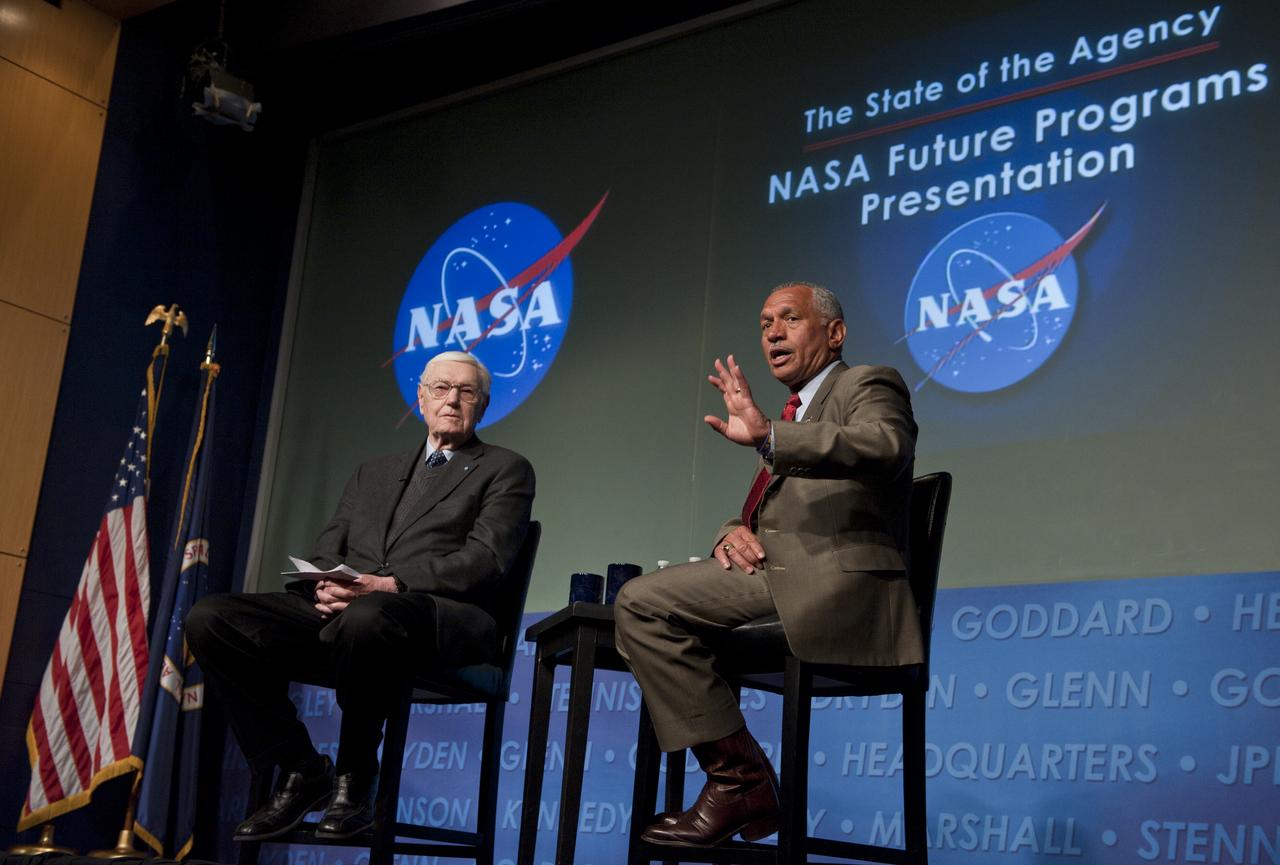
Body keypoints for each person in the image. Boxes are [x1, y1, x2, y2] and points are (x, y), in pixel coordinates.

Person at [614, 281, 920, 847]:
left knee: (641, 603)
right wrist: (730, 532)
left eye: (789, 319)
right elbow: (763, 512)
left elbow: (885, 445)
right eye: (763, 323)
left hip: (837, 584)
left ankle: (740, 782)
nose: (772, 333)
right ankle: (741, 782)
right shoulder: (793, 416)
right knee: (642, 603)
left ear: (835, 333)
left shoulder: (865, 382)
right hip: (781, 575)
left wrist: (770, 435)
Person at [187, 351, 535, 842]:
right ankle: (301, 768)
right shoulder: (372, 472)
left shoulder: (505, 469)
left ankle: (356, 776)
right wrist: (326, 586)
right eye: (441, 388)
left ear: (484, 405)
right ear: (421, 396)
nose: (452, 399)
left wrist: (386, 585)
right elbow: (328, 549)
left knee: (370, 616)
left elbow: (483, 561)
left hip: (436, 618)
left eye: (466, 391)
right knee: (212, 617)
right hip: (352, 615)